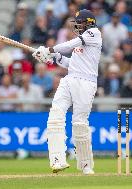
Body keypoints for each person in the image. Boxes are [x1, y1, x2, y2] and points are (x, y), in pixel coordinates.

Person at [32, 10, 102, 174]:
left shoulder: (94, 33)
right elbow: (71, 64)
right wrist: (53, 57)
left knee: (79, 123)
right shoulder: (81, 43)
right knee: (55, 115)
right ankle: (57, 160)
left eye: (80, 22)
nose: (77, 25)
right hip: (70, 78)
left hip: (86, 83)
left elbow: (70, 45)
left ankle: (86, 165)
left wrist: (49, 49)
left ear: (89, 22)